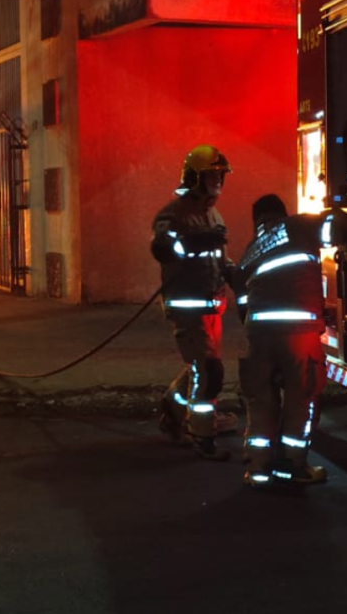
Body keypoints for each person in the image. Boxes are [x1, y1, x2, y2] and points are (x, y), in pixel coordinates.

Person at [235, 193, 328, 488]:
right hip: (298, 332)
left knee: (260, 402)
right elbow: (337, 227)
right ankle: (292, 467)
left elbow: (242, 304)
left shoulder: (250, 249)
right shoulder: (300, 225)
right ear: (282, 213)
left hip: (257, 334)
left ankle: (258, 471)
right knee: (301, 399)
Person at [150, 144, 237, 462]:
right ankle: (203, 436)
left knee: (200, 368)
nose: (218, 181)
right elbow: (163, 249)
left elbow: (219, 258)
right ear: (194, 177)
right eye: (212, 175)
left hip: (211, 306)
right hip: (186, 306)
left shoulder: (213, 214)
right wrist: (190, 243)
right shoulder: (172, 214)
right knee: (210, 371)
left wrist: (235, 273)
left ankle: (173, 409)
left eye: (221, 175)